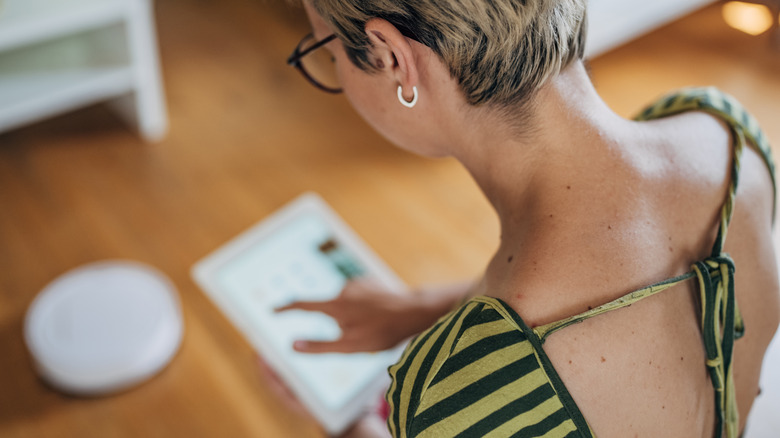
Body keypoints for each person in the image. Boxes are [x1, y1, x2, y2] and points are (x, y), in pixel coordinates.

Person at [264, 0, 780, 436]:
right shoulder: (729, 137)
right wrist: (420, 309)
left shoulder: (449, 399)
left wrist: (353, 424)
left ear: (394, 59)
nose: (334, 70)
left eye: (327, 52)